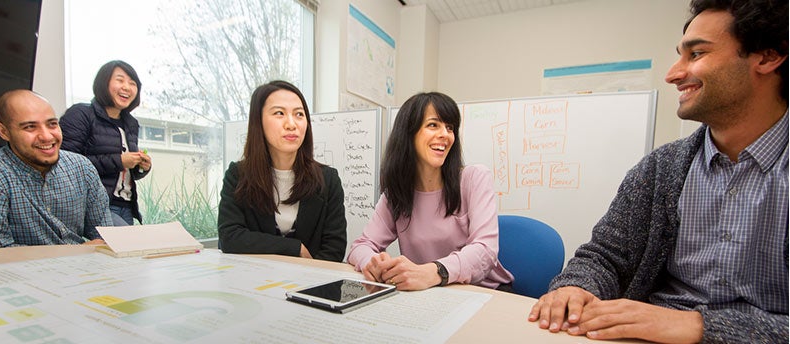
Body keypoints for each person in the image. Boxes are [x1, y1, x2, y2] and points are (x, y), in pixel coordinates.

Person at [528, 0, 788, 342]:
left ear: (767, 57)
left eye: (696, 54)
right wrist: (576, 287)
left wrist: (700, 326)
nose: (673, 74)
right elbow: (603, 257)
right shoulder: (660, 169)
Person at [347, 92, 513, 291]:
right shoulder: (396, 194)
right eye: (433, 125)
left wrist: (434, 272)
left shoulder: (474, 178)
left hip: (483, 291)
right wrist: (373, 263)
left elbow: (485, 251)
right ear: (408, 133)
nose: (445, 134)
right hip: (431, 294)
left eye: (450, 127)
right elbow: (360, 246)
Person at [0, 90, 113, 250]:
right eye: (30, 127)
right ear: (4, 132)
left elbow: (105, 235)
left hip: (85, 270)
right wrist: (74, 252)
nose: (46, 136)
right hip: (21, 274)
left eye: (52, 124)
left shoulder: (82, 167)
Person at [217, 80, 347, 262]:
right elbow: (230, 238)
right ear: (258, 121)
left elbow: (334, 249)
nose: (291, 124)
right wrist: (295, 248)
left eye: (299, 114)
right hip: (254, 282)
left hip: (312, 284)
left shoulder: (328, 180)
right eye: (279, 113)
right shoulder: (238, 176)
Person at [60, 60, 151, 225]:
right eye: (120, 80)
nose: (127, 87)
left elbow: (127, 172)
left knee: (129, 249)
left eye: (132, 83)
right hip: (95, 204)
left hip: (126, 205)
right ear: (104, 82)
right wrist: (119, 160)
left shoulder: (130, 123)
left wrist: (142, 167)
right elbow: (67, 164)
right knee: (131, 246)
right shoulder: (81, 114)